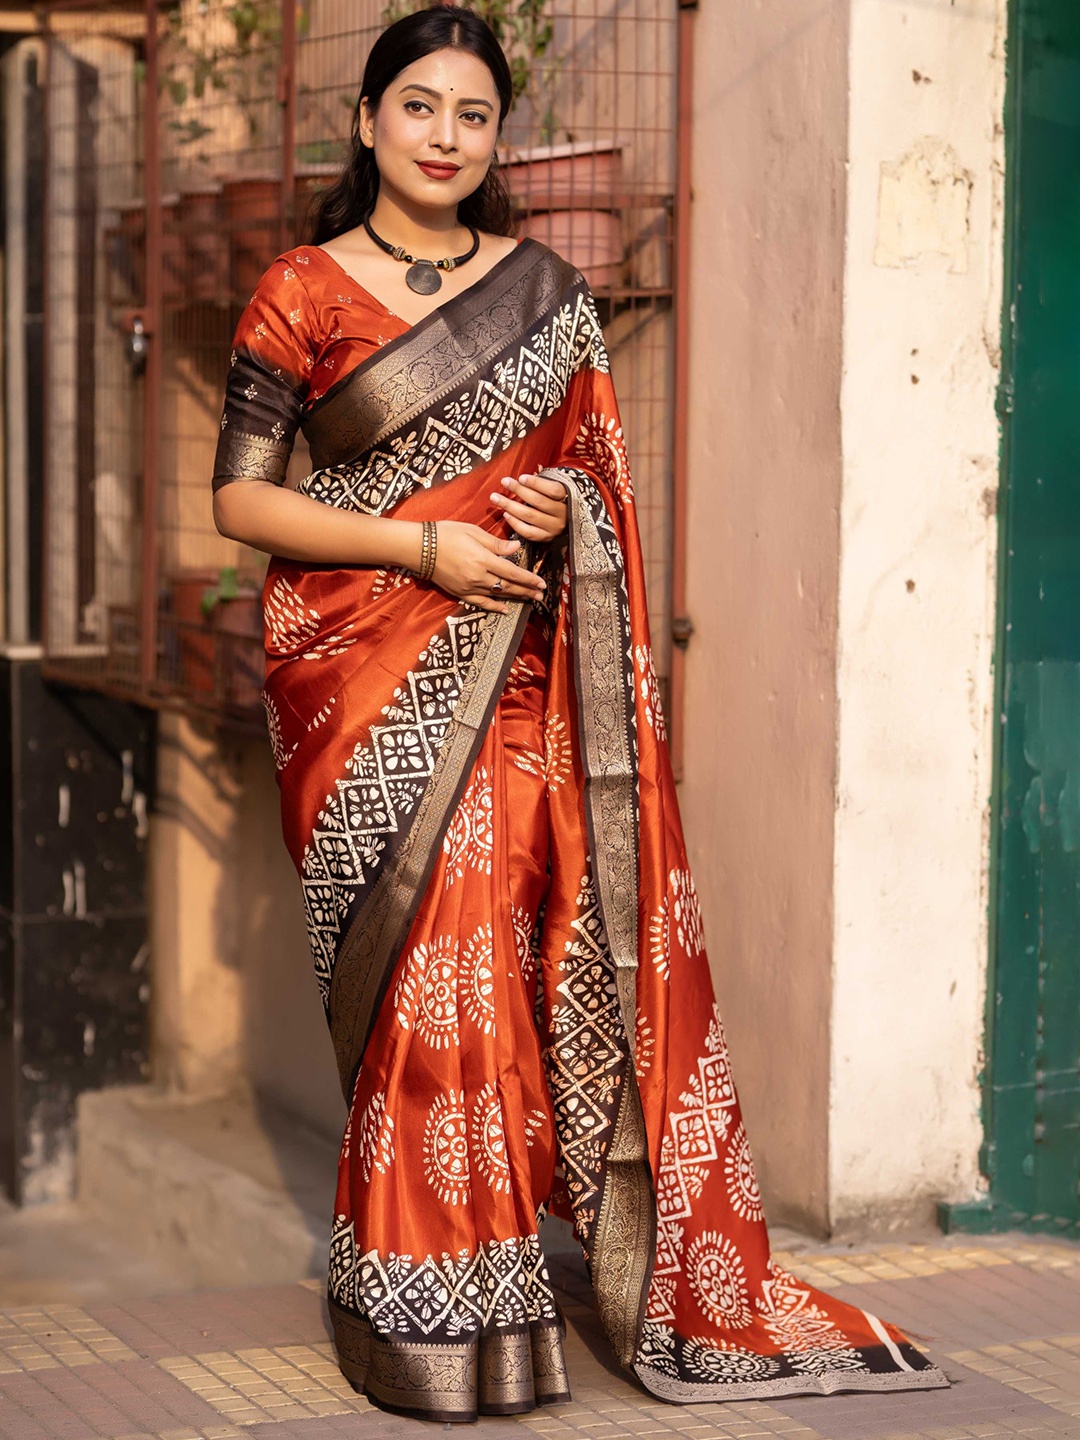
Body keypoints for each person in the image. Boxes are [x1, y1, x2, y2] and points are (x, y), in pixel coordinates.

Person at [211, 4, 948, 1423]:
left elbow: (595, 488)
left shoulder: (548, 294)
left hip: (517, 682)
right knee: (410, 1004)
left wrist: (571, 518)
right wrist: (419, 550)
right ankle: (413, 1303)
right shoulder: (299, 290)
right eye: (417, 106)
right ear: (367, 122)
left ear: (499, 139)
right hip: (358, 689)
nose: (443, 136)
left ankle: (488, 1298)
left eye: (472, 115)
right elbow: (241, 499)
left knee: (481, 975)